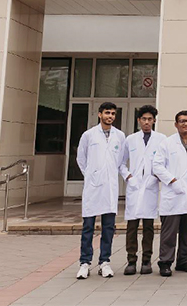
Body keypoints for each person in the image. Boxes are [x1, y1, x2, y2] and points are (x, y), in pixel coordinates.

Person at [76, 102, 127, 279]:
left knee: (108, 227)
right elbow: (81, 159)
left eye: (112, 113)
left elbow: (120, 160)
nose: (110, 116)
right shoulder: (89, 135)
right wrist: (91, 175)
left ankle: (104, 262)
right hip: (92, 187)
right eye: (107, 113)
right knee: (88, 227)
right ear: (99, 114)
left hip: (110, 188)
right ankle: (84, 263)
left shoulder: (119, 136)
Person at [152, 110, 187, 276]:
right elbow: (157, 166)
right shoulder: (167, 143)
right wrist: (172, 181)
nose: (185, 124)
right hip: (173, 194)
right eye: (182, 121)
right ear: (176, 124)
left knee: (186, 233)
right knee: (169, 233)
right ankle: (165, 262)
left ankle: (183, 260)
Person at [120, 104, 164, 276]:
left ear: (154, 121)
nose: (147, 122)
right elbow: (121, 163)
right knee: (132, 226)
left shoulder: (161, 139)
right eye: (144, 119)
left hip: (151, 186)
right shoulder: (130, 139)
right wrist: (129, 177)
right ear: (138, 120)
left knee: (148, 227)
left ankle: (146, 260)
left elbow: (164, 162)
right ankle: (131, 260)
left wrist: (156, 177)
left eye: (150, 119)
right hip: (134, 186)